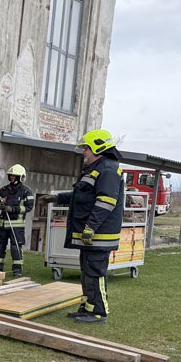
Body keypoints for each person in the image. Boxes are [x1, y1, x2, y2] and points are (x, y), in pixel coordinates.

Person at [40, 129, 124, 324]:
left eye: (86, 148)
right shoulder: (97, 169)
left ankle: (98, 312)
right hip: (91, 234)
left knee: (95, 272)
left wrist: (90, 227)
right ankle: (88, 307)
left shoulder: (108, 170)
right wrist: (58, 198)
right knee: (87, 272)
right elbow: (83, 196)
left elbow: (106, 202)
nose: (83, 152)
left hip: (98, 235)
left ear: (98, 147)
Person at [0, 164, 34, 277]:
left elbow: (28, 207)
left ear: (20, 177)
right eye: (11, 176)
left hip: (16, 225)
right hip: (2, 224)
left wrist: (12, 209)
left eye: (15, 176)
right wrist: (0, 205)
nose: (12, 177)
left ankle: (17, 269)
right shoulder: (4, 190)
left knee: (15, 247)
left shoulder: (26, 191)